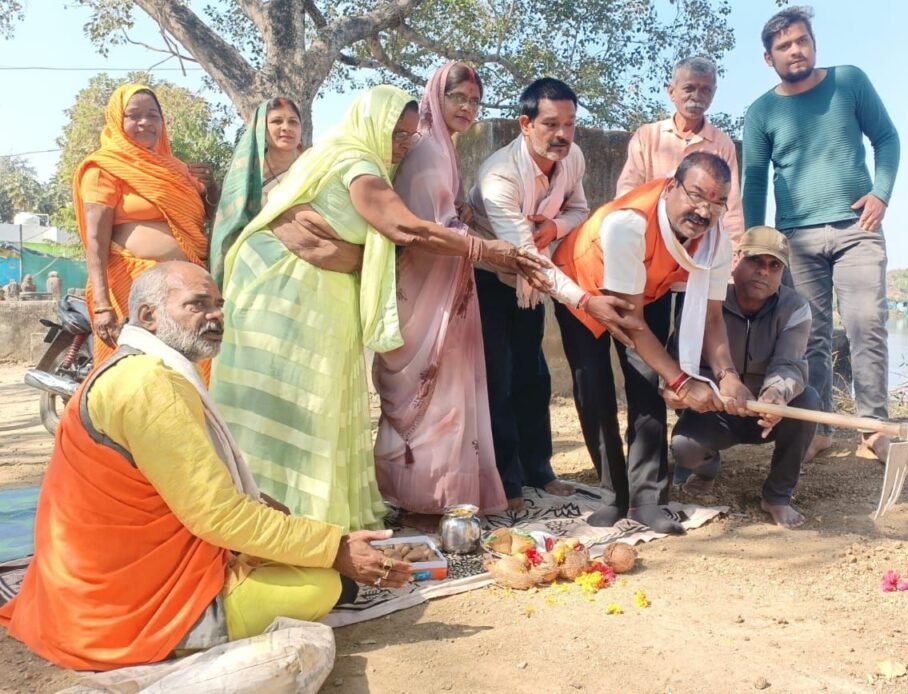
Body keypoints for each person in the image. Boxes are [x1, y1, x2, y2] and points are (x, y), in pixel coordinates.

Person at [0, 262, 413, 671]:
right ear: (148, 315)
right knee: (320, 584)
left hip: (87, 586)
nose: (215, 316)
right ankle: (188, 631)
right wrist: (335, 550)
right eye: (198, 305)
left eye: (218, 305)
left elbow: (194, 490)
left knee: (292, 543)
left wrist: (290, 527)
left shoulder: (137, 367)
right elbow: (218, 516)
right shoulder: (149, 384)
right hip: (118, 609)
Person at [212, 85, 541, 528]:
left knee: (319, 400)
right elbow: (409, 230)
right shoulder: (357, 163)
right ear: (372, 125)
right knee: (288, 402)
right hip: (282, 293)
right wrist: (489, 251)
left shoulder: (343, 156)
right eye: (396, 135)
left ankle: (309, 517)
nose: (402, 146)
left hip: (313, 285)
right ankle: (270, 520)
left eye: (408, 136)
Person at [552, 151, 751, 533]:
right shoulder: (629, 225)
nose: (704, 212)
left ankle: (647, 500)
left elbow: (712, 318)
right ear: (672, 185)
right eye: (695, 195)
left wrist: (728, 375)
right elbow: (629, 324)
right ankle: (612, 496)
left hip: (646, 291)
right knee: (595, 392)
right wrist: (682, 380)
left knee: (647, 386)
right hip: (584, 286)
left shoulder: (716, 243)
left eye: (716, 203)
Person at [742, 6, 900, 463]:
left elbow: (886, 138)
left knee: (866, 323)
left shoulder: (849, 81)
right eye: (784, 46)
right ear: (768, 58)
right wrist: (756, 241)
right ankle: (819, 427)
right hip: (796, 239)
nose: (796, 50)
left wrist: (881, 194)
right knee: (810, 334)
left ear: (813, 43)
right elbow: (754, 179)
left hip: (858, 228)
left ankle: (874, 427)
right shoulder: (762, 111)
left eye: (801, 41)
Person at [468, 77, 635, 509]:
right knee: (498, 380)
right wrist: (583, 300)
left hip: (531, 284)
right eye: (550, 124)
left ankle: (539, 470)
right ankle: (507, 484)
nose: (562, 134)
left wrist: (552, 227)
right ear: (525, 124)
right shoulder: (499, 177)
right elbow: (528, 260)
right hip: (490, 276)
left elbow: (579, 210)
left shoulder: (572, 157)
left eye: (570, 123)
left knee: (535, 376)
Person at [373, 63, 506, 516]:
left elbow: (443, 213)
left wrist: (462, 215)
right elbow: (431, 226)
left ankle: (426, 493)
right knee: (438, 393)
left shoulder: (440, 146)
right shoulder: (430, 149)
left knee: (444, 392)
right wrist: (485, 244)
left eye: (474, 101)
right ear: (437, 96)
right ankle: (433, 496)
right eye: (459, 98)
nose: (467, 108)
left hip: (444, 282)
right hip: (429, 289)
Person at [670, 226, 818, 529]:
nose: (764, 272)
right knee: (685, 449)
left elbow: (790, 364)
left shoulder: (795, 309)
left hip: (767, 414)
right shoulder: (705, 300)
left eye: (774, 265)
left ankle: (777, 495)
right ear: (735, 259)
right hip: (717, 409)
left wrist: (775, 395)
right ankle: (707, 467)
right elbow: (680, 360)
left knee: (809, 401)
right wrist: (704, 391)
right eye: (755, 261)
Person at [73, 84, 217, 377]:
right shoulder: (104, 168)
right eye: (134, 115)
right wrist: (102, 307)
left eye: (153, 115)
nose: (145, 123)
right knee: (137, 376)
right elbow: (95, 243)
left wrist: (210, 188)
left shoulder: (177, 169)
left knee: (190, 373)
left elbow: (207, 220)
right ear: (118, 120)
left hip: (187, 290)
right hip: (133, 285)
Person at [616, 57, 744, 243]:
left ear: (714, 94)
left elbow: (730, 207)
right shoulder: (647, 136)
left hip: (700, 246)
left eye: (705, 90)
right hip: (648, 238)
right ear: (671, 92)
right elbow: (628, 193)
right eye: (689, 88)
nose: (697, 96)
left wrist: (733, 252)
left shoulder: (722, 144)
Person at [209, 96, 304, 286]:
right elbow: (229, 226)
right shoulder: (246, 175)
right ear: (261, 128)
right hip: (253, 269)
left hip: (306, 265)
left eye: (293, 122)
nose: (286, 127)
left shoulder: (314, 167)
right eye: (277, 121)